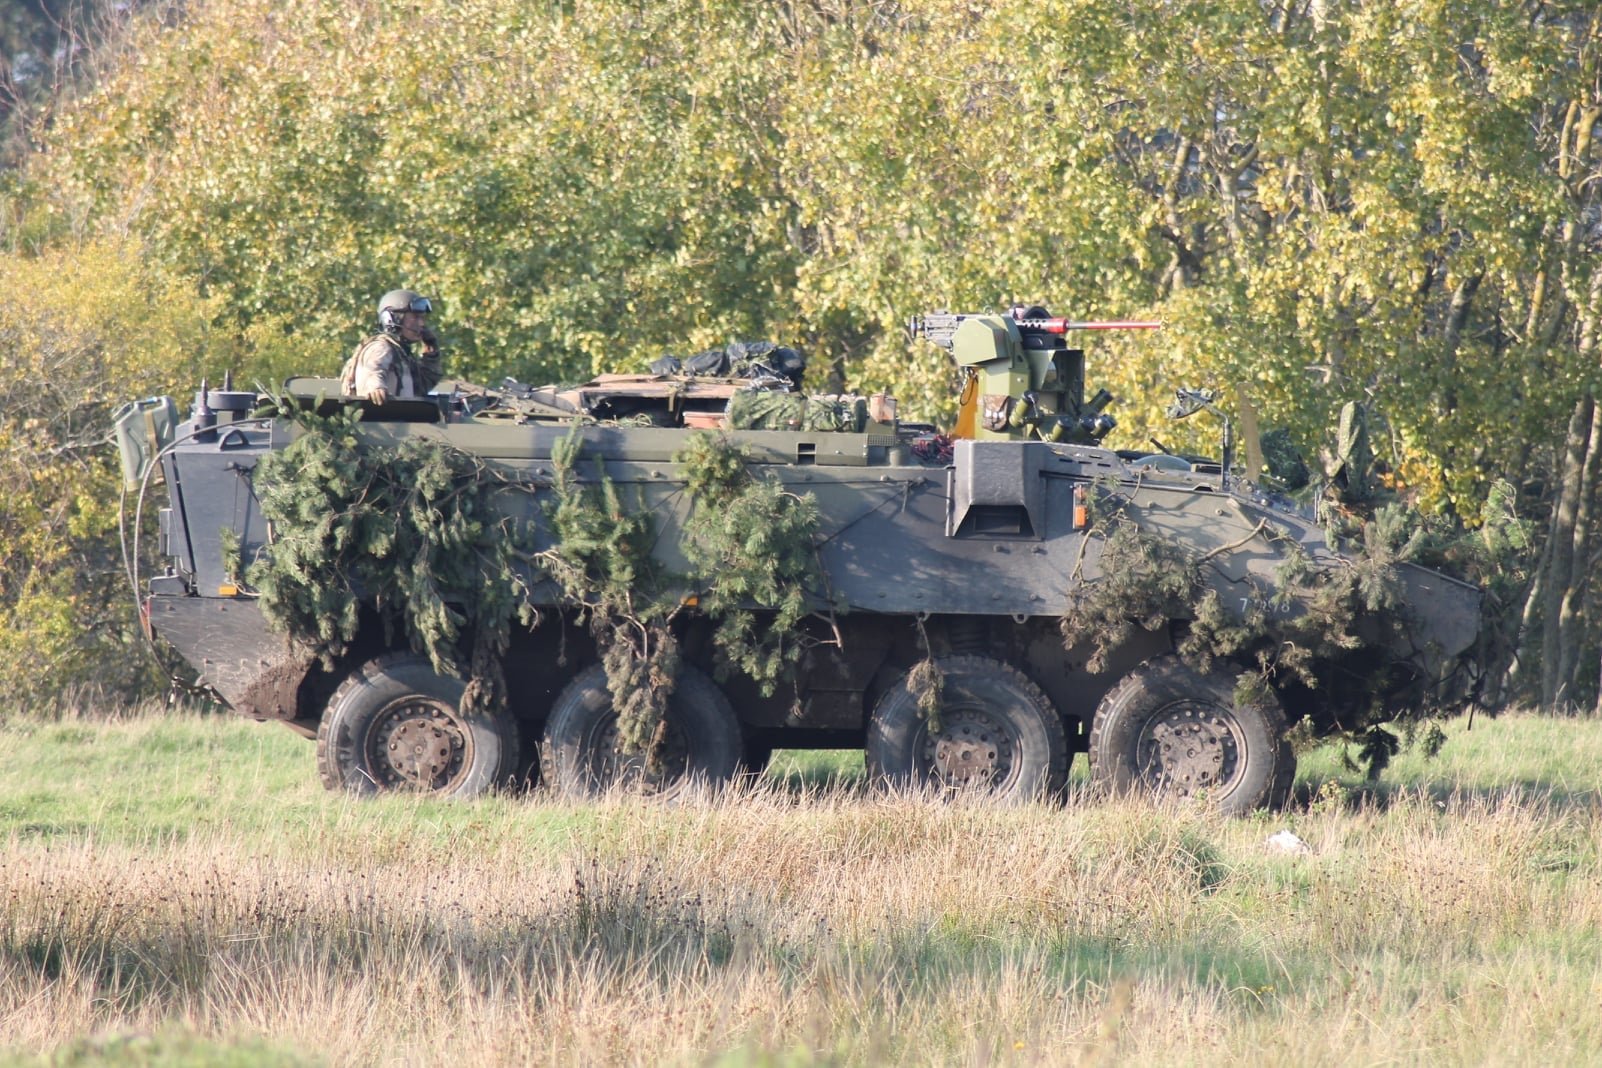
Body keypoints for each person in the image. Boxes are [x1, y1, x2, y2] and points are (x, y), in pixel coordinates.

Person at [340, 289, 443, 404]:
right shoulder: (381, 347)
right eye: (415, 317)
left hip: (400, 419)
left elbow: (423, 385)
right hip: (381, 419)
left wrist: (431, 354)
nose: (421, 324)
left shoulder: (401, 354)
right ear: (392, 318)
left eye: (422, 318)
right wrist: (375, 387)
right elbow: (372, 370)